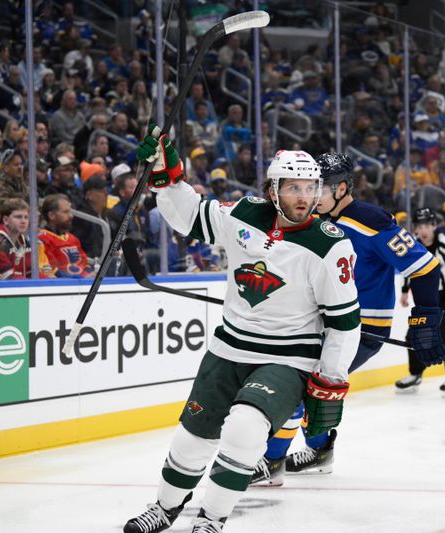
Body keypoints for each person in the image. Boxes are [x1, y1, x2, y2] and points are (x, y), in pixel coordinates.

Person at [124, 130, 361, 533]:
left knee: (245, 429)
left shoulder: (330, 245)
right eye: (293, 188)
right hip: (228, 348)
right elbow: (190, 216)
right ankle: (165, 508)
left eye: (310, 188)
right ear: (273, 190)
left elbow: (343, 323)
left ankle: (212, 519)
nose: (304, 197)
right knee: (191, 438)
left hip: (287, 358)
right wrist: (165, 175)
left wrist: (331, 379)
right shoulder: (244, 214)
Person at [253, 153, 445, 486]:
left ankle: (273, 460)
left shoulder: (370, 220)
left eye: (319, 188)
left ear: (341, 188)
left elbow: (426, 268)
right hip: (324, 324)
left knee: (299, 390)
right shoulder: (317, 220)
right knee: (308, 389)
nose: (311, 196)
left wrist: (426, 321)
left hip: (362, 329)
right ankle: (320, 450)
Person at [395, 208, 445, 391]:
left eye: (427, 225)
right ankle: (415, 374)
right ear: (415, 228)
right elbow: (410, 268)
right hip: (435, 294)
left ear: (434, 226)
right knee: (416, 331)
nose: (424, 230)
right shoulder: (414, 245)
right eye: (420, 226)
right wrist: (405, 290)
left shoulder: (443, 240)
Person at [0, 199, 54, 279]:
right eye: (18, 217)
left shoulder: (22, 240)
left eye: (26, 217)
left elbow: (30, 272)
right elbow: (7, 276)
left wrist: (52, 282)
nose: (23, 221)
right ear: (6, 220)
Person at [38, 194, 93, 278]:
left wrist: (90, 274)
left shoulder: (72, 238)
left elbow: (85, 263)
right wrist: (80, 279)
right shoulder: (42, 239)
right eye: (65, 212)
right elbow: (50, 270)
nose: (71, 216)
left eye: (70, 211)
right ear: (51, 215)